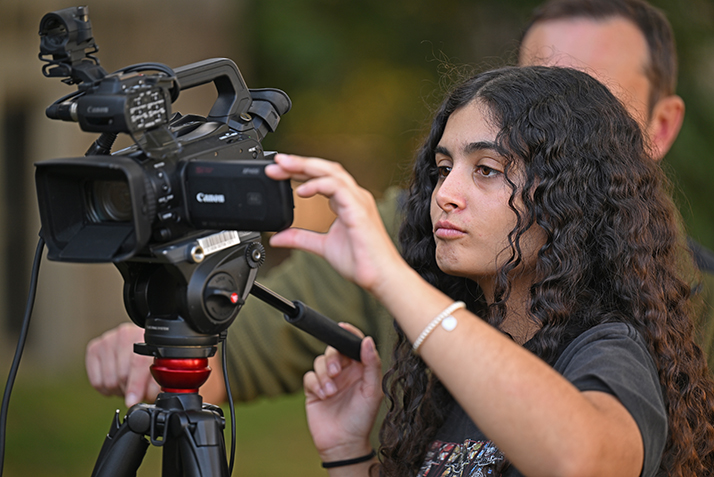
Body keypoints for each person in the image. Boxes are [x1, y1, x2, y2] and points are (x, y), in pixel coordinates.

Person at [85, 0, 714, 408]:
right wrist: (166, 336)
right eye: (536, 91)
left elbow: (584, 452)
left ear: (658, 127)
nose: (449, 196)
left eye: (589, 100)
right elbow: (230, 359)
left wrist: (394, 282)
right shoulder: (413, 229)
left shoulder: (672, 311)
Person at [284, 65, 714, 476]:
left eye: (487, 170)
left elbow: (583, 462)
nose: (445, 194)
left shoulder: (607, 351)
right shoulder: (461, 369)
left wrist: (390, 275)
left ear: (568, 197)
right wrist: (347, 454)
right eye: (443, 168)